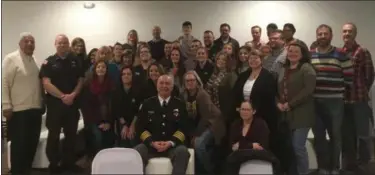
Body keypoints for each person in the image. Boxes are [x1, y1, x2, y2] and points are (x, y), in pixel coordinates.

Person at [39, 34, 84, 173]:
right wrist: (63, 96)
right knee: (54, 136)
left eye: (65, 43)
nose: (62, 45)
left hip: (72, 105)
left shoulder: (75, 61)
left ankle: (68, 163)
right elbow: (46, 83)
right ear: (55, 44)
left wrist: (73, 95)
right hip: (55, 106)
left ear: (68, 44)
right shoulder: (49, 62)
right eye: (60, 43)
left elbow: (81, 80)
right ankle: (54, 165)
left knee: (71, 135)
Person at [2, 32, 44, 174]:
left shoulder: (35, 61)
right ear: (20, 44)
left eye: (32, 41)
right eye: (26, 41)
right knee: (19, 146)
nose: (30, 44)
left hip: (35, 109)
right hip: (18, 111)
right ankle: (17, 171)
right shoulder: (11, 59)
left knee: (32, 143)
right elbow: (4, 83)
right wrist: (6, 105)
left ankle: (26, 170)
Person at [134, 75, 191, 175]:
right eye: (161, 83)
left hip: (172, 146)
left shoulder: (179, 104)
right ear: (157, 86)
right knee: (138, 150)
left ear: (172, 87)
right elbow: (140, 128)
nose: (164, 86)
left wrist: (170, 142)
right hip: (151, 145)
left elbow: (184, 128)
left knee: (183, 151)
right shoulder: (147, 104)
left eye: (167, 83)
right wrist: (151, 142)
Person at [277, 43, 317, 175]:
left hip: (302, 114)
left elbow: (308, 90)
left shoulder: (307, 68)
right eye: (290, 51)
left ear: (302, 54)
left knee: (298, 147)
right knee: (290, 148)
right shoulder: (284, 68)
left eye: (296, 51)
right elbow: (277, 89)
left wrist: (291, 104)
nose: (292, 53)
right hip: (286, 114)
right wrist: (278, 103)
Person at [181, 71, 225, 174]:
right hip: (198, 125)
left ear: (197, 81)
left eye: (192, 80)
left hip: (213, 123)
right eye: (187, 81)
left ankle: (210, 170)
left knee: (198, 144)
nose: (190, 82)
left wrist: (196, 135)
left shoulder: (202, 94)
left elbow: (205, 118)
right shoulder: (183, 95)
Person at [225, 101, 278, 175]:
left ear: (254, 111)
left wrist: (240, 145)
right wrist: (252, 145)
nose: (244, 112)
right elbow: (232, 146)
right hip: (238, 159)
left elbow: (263, 146)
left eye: (247, 110)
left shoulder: (261, 124)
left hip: (259, 157)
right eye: (242, 109)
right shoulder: (235, 125)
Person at [81, 60, 116, 159]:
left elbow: (112, 106)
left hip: (107, 119)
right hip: (92, 119)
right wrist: (99, 122)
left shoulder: (111, 85)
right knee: (97, 136)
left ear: (106, 69)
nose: (101, 69)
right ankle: (96, 160)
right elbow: (86, 107)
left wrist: (108, 122)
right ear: (95, 69)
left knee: (110, 137)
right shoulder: (88, 84)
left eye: (103, 67)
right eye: (98, 67)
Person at [113, 66, 142, 147]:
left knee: (133, 138)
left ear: (132, 76)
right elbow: (116, 111)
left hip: (136, 121)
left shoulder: (138, 90)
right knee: (124, 137)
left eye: (128, 74)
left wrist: (132, 125)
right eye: (124, 74)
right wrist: (125, 125)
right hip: (122, 122)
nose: (126, 76)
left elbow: (139, 110)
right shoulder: (116, 91)